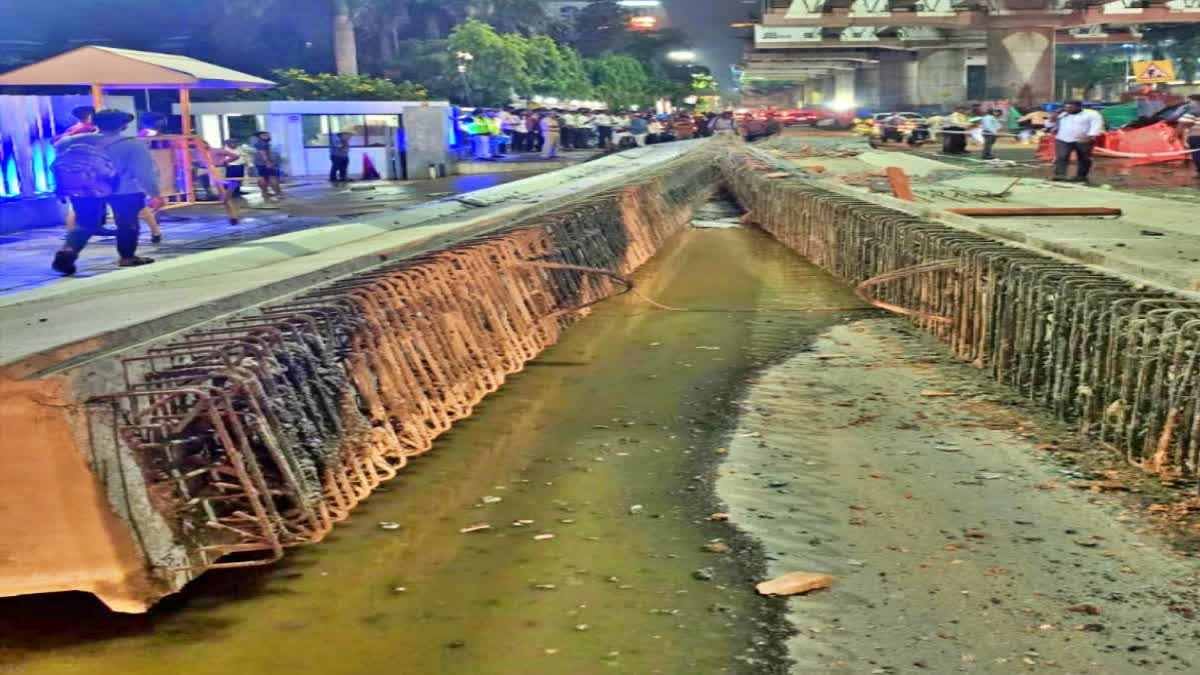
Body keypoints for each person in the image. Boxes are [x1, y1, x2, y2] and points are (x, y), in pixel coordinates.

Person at [50, 109, 161, 274]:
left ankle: (68, 251)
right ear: (123, 126)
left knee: (85, 223)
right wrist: (155, 194)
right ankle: (127, 257)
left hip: (85, 189)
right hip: (124, 190)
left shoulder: (69, 142)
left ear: (95, 123)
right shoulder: (133, 144)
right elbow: (144, 173)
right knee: (127, 223)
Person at [1047, 100, 1104, 183]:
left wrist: (1090, 137)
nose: (1068, 109)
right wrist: (1054, 115)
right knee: (1062, 157)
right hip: (1063, 139)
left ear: (1079, 107)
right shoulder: (1062, 114)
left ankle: (1081, 176)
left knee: (1084, 158)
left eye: (1070, 107)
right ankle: (1060, 175)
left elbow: (1096, 126)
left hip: (1083, 140)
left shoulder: (1091, 114)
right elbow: (1049, 125)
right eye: (1066, 107)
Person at [252, 131, 284, 198]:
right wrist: (268, 162)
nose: (268, 136)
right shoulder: (262, 144)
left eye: (268, 135)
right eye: (265, 135)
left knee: (263, 177)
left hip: (260, 164)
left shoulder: (258, 143)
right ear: (260, 136)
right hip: (265, 163)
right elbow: (263, 154)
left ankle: (265, 193)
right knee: (272, 177)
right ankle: (278, 193)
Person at [1176, 95, 1200, 179]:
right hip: (1195, 136)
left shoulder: (1192, 111)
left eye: (1190, 101)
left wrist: (1174, 136)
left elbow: (1181, 124)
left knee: (1196, 154)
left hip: (1196, 136)